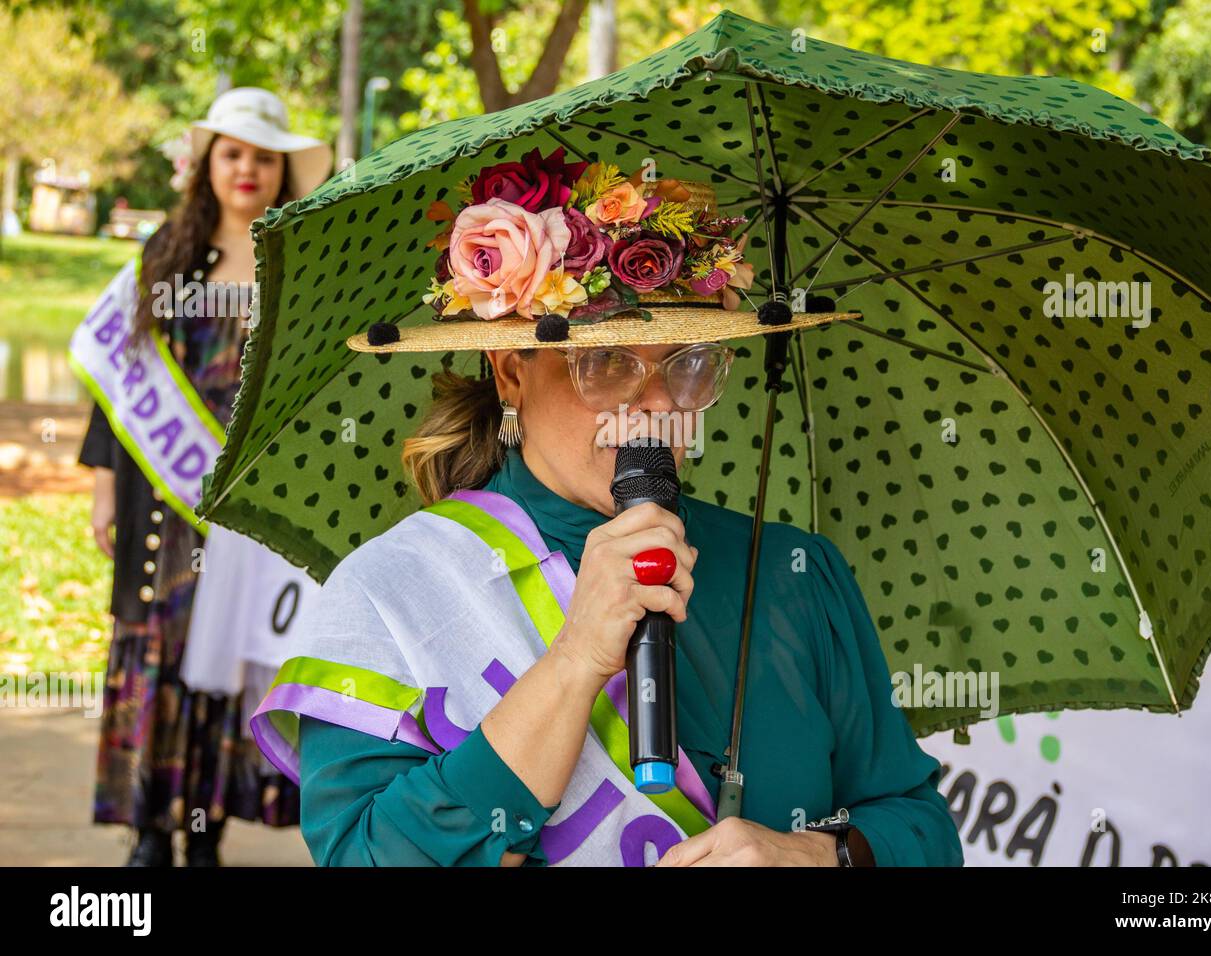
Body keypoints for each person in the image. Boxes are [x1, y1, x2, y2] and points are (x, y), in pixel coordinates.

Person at [250, 160, 963, 866]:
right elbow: (367, 857)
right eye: (607, 362)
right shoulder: (393, 588)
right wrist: (576, 659)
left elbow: (917, 825)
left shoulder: (791, 570)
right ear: (510, 372)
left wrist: (811, 855)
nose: (657, 405)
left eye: (686, 363)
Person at [76, 87, 331, 866]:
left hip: (247, 509)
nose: (247, 168)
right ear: (208, 164)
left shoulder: (300, 262)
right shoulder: (167, 256)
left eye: (262, 156)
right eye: (233, 153)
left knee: (225, 658)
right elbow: (114, 385)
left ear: (283, 170)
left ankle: (205, 831)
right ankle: (149, 832)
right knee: (157, 645)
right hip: (161, 497)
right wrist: (98, 484)